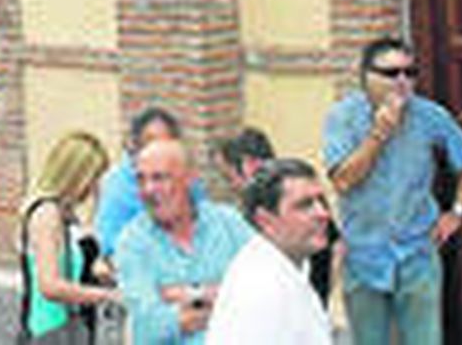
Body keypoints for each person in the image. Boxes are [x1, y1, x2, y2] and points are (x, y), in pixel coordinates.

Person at [322, 35, 462, 345]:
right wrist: (379, 134)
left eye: (410, 73)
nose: (402, 81)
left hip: (417, 254)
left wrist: (457, 211)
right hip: (363, 255)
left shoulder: (429, 115)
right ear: (366, 77)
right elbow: (342, 180)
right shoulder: (343, 117)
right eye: (391, 73)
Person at [115, 138, 252, 344]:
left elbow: (262, 293)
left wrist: (185, 295)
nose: (148, 190)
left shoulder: (229, 224)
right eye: (141, 180)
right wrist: (224, 300)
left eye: (160, 178)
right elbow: (146, 329)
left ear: (189, 178)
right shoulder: (133, 242)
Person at [206, 157, 334, 345]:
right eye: (305, 205)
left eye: (321, 201)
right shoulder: (261, 289)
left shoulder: (288, 264)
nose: (323, 213)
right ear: (265, 220)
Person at [212, 126, 337, 309]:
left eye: (228, 176)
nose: (232, 186)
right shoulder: (298, 188)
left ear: (248, 165)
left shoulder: (285, 195)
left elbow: (336, 244)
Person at [19, 130, 122, 342]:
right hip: (50, 332)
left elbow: (82, 256)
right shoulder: (46, 215)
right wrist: (107, 296)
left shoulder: (66, 214)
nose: (94, 186)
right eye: (93, 178)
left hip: (73, 328)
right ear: (76, 175)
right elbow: (50, 286)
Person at [97, 105, 183, 261]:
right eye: (151, 144)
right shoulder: (118, 187)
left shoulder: (187, 180)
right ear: (135, 145)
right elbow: (111, 249)